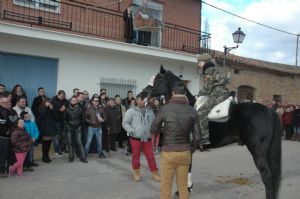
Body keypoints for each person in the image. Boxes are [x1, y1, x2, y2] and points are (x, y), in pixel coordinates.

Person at [150, 82, 200, 199]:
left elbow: (153, 129)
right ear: (185, 93)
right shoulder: (192, 111)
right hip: (185, 152)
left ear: (173, 93)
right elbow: (197, 137)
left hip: (169, 151)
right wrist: (190, 150)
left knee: (166, 185)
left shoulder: (165, 109)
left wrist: (165, 129)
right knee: (183, 186)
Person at [122, 94, 160, 182]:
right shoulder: (131, 111)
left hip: (147, 139)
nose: (143, 101)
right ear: (137, 100)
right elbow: (125, 123)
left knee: (151, 156)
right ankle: (136, 172)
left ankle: (154, 173)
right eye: (141, 99)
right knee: (136, 156)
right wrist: (131, 131)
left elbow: (154, 123)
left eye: (144, 99)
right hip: (135, 138)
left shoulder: (150, 111)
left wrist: (154, 130)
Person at [196, 53, 229, 148]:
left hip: (217, 94)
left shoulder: (208, 70)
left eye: (199, 62)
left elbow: (208, 88)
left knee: (201, 112)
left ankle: (205, 138)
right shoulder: (217, 68)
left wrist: (198, 95)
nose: (199, 64)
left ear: (204, 62)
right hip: (223, 92)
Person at [0, 94, 18, 178]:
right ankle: (1, 171)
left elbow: (16, 121)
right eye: (5, 102)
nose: (8, 103)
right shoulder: (1, 112)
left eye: (8, 101)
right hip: (3, 137)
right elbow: (3, 125)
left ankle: (10, 169)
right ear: (1, 103)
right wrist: (9, 131)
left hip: (13, 137)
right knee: (3, 155)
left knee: (11, 154)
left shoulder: (13, 111)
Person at [64, 97, 87, 163]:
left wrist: (80, 126)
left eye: (76, 100)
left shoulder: (80, 109)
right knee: (70, 143)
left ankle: (83, 157)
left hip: (78, 128)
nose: (75, 101)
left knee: (79, 143)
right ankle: (71, 157)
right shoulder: (67, 109)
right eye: (73, 100)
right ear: (70, 101)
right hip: (69, 128)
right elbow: (64, 119)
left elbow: (83, 119)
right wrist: (68, 125)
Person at [38, 99, 57, 163]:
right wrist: (46, 107)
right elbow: (41, 116)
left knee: (49, 143)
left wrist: (52, 109)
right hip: (45, 128)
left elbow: (55, 117)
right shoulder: (41, 108)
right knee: (45, 143)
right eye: (48, 102)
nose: (49, 104)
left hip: (51, 128)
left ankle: (47, 156)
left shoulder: (51, 109)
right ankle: (44, 156)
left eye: (50, 102)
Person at [51, 90, 69, 154]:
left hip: (63, 120)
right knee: (57, 136)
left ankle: (63, 149)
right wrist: (60, 109)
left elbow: (67, 106)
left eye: (63, 96)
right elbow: (54, 109)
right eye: (61, 96)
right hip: (56, 120)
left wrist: (65, 108)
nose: (62, 97)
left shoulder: (65, 100)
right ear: (58, 95)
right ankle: (57, 150)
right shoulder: (53, 100)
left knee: (63, 136)